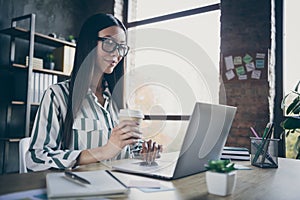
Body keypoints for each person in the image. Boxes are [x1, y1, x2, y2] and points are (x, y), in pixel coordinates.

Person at [26, 13, 161, 171]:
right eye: (109, 43)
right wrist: (104, 151)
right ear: (89, 44)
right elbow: (36, 159)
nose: (116, 53)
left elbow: (126, 149)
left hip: (121, 186)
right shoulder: (57, 95)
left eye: (121, 46)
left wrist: (143, 151)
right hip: (80, 188)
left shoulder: (118, 99)